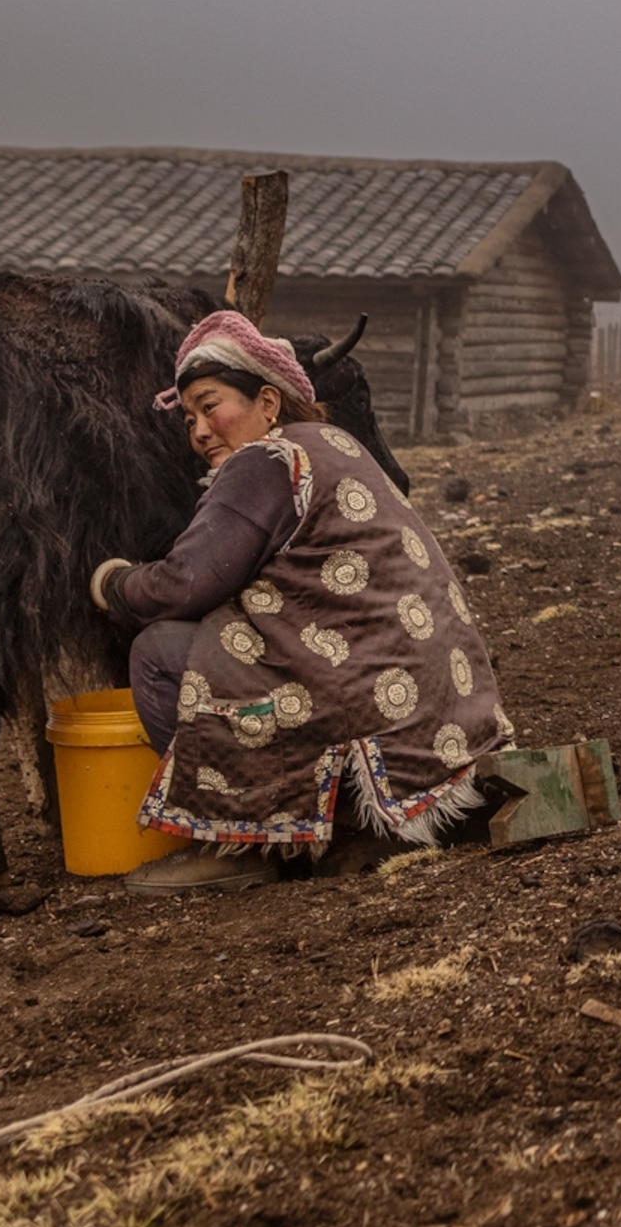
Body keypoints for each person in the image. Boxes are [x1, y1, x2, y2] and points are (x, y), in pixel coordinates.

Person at [88, 310, 513, 894]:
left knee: (159, 649)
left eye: (211, 406)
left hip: (364, 696)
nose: (200, 430)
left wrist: (113, 583)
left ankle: (236, 842)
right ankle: (348, 823)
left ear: (267, 402)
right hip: (438, 712)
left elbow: (183, 584)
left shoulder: (264, 462)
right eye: (188, 417)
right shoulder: (332, 444)